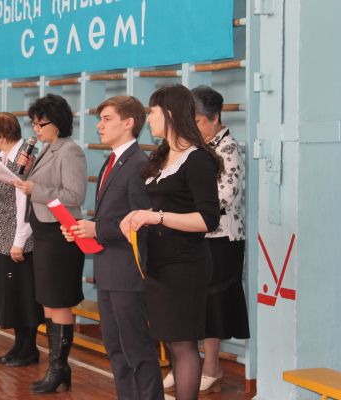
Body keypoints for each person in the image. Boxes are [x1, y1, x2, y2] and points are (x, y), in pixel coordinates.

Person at [119, 84, 221, 400]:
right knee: (172, 343)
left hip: (185, 265)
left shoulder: (198, 159)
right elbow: (159, 206)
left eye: (152, 112)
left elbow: (207, 220)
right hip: (160, 264)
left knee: (183, 344)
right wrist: (136, 216)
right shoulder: (162, 155)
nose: (148, 118)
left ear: (171, 114)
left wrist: (157, 217)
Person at [61, 96, 164, 399]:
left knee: (137, 349)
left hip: (127, 273)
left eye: (107, 119)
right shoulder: (112, 160)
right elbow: (112, 216)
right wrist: (83, 230)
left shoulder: (139, 164)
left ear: (128, 122)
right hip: (108, 270)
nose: (100, 126)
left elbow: (141, 221)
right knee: (116, 348)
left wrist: (97, 229)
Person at [157, 85, 246, 394]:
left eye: (198, 121)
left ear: (215, 117)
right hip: (190, 234)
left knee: (212, 303)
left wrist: (184, 205)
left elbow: (225, 196)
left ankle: (211, 366)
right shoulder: (190, 148)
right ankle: (184, 362)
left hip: (221, 238)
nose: (193, 126)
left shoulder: (228, 148)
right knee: (189, 304)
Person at [13, 94, 87, 394]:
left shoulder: (70, 151)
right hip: (44, 233)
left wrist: (36, 189)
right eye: (33, 123)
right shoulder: (46, 149)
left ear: (57, 123)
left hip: (61, 235)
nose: (36, 129)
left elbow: (75, 195)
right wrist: (25, 173)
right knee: (47, 301)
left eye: (40, 124)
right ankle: (58, 367)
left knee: (59, 301)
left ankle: (58, 368)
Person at [0, 113, 44, 367]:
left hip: (17, 239)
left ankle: (29, 348)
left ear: (1, 136)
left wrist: (19, 241)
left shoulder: (24, 158)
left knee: (24, 295)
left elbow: (24, 204)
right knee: (11, 295)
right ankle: (19, 345)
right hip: (1, 236)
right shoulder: (1, 158)